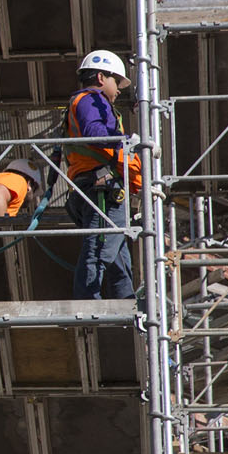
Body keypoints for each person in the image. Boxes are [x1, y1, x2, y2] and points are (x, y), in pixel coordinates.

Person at [64, 50, 142, 300]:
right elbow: (94, 132)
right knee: (98, 252)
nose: (119, 90)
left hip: (100, 189)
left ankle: (125, 304)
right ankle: (87, 307)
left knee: (118, 260)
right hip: (102, 192)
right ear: (100, 77)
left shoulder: (91, 102)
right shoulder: (91, 100)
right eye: (116, 82)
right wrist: (126, 142)